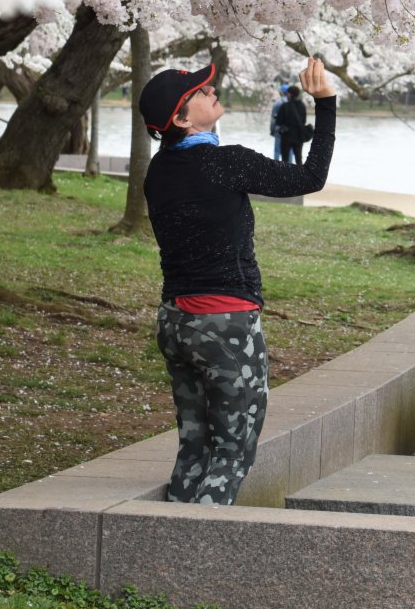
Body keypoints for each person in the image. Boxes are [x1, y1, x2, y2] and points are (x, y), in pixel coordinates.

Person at [139, 56, 336, 505]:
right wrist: (325, 104)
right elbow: (311, 177)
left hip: (175, 324)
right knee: (232, 453)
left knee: (194, 445)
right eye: (199, 92)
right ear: (183, 119)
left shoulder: (158, 171)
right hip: (226, 325)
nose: (212, 90)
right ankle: (198, 553)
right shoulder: (225, 163)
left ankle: (164, 543)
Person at [276, 85, 310, 164]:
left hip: (286, 136)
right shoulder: (303, 106)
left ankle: (285, 175)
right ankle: (300, 175)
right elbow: (304, 121)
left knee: (285, 160)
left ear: (289, 94)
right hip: (299, 136)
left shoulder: (284, 106)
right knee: (299, 159)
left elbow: (279, 122)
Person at [269, 83, 290, 161]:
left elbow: (273, 118)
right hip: (289, 130)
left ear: (281, 92)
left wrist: (272, 130)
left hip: (278, 129)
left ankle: (276, 168)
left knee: (277, 150)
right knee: (289, 151)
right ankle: (289, 169)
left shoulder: (277, 103)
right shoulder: (292, 103)